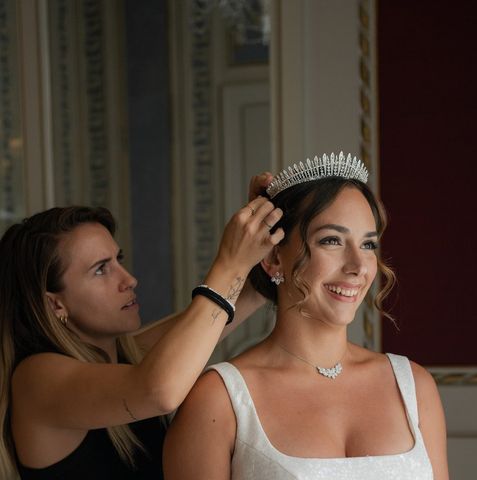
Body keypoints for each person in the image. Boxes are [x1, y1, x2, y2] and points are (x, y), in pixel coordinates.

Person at [164, 152, 449, 479]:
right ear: (273, 257)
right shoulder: (217, 400)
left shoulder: (414, 386)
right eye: (332, 240)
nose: (358, 267)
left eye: (368, 245)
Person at [0, 175, 284, 479]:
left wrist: (271, 223)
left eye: (117, 259)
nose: (129, 280)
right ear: (55, 304)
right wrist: (229, 263)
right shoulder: (36, 379)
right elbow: (160, 390)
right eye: (101, 270)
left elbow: (246, 295)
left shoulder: (126, 355)